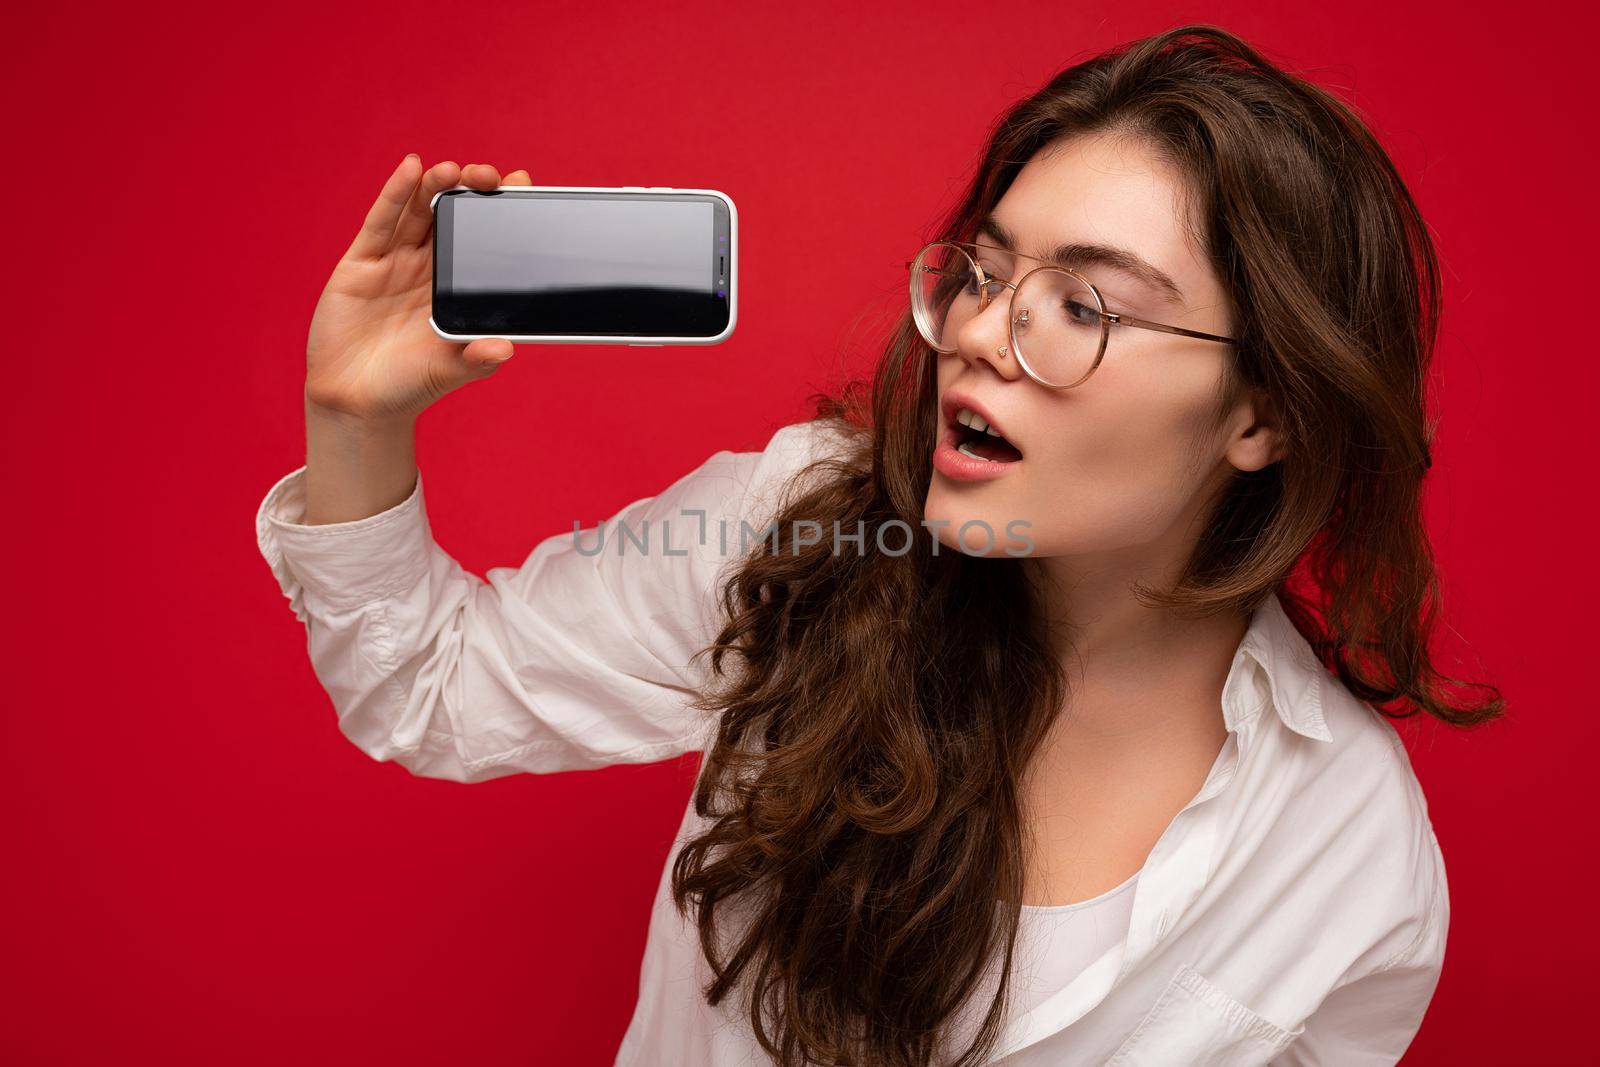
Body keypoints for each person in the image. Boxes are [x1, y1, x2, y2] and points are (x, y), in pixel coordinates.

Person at [254, 24, 1502, 1067]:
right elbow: (427, 683)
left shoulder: (1349, 851)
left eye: (1084, 304)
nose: (977, 332)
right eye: (986, 270)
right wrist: (354, 415)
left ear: (1263, 412)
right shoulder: (798, 527)